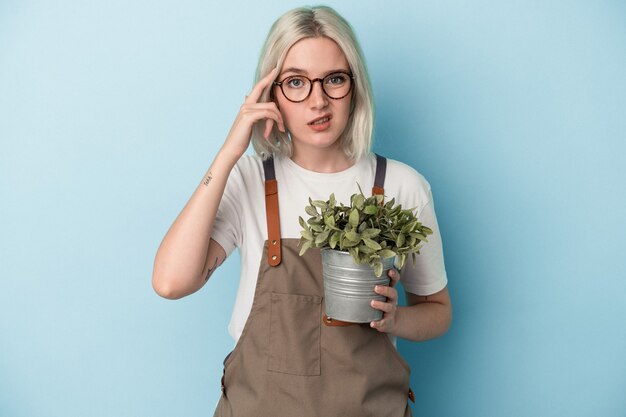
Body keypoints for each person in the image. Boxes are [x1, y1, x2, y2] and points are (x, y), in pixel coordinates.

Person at [152, 5, 451, 416]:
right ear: (272, 94)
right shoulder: (250, 180)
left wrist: (395, 319)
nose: (318, 101)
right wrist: (229, 154)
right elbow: (171, 282)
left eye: (334, 80)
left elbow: (438, 312)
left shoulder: (402, 186)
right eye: (295, 82)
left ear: (355, 86)